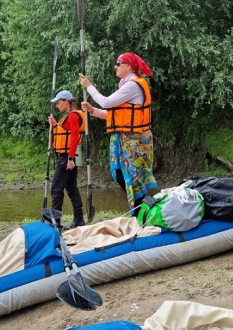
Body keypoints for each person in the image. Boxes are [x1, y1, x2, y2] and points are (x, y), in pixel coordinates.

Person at [79, 52, 158, 215]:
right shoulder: (126, 85)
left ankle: (142, 211)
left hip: (135, 140)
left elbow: (106, 102)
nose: (115, 67)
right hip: (125, 138)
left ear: (128, 66)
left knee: (132, 177)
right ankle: (142, 208)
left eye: (118, 63)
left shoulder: (133, 85)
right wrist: (93, 111)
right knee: (120, 173)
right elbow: (116, 115)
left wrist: (89, 86)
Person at [48, 90, 86, 229]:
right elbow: (66, 131)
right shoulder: (68, 116)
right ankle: (79, 219)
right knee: (71, 187)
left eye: (58, 102)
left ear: (66, 101)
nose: (57, 106)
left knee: (56, 188)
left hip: (67, 157)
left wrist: (70, 159)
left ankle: (55, 223)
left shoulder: (74, 116)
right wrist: (55, 124)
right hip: (67, 156)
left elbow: (75, 137)